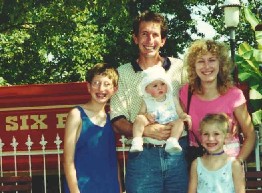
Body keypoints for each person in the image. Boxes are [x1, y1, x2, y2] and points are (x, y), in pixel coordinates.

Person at [110, 11, 188, 193]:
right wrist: (145, 130)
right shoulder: (123, 73)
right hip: (143, 157)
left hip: (178, 155)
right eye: (144, 34)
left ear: (163, 41)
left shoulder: (179, 68)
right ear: (135, 38)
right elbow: (117, 120)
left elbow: (195, 105)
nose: (149, 40)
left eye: (155, 35)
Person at [180, 39, 255, 164]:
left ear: (221, 64)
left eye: (212, 60)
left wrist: (238, 162)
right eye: (200, 61)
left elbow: (250, 135)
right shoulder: (186, 92)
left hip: (228, 164)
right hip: (198, 164)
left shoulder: (234, 95)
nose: (207, 66)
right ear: (194, 66)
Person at [63, 63, 122, 193]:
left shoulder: (110, 119)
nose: (101, 89)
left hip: (109, 187)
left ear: (114, 89)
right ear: (88, 87)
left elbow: (113, 160)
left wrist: (119, 188)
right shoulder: (77, 115)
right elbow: (68, 161)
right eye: (96, 83)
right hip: (83, 188)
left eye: (107, 84)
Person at [130, 65, 192, 153]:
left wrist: (185, 116)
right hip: (153, 123)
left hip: (171, 124)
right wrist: (146, 116)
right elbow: (140, 114)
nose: (160, 87)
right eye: (155, 85)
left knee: (180, 122)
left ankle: (173, 141)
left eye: (163, 84)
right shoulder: (147, 100)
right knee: (139, 119)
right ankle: (137, 140)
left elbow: (180, 112)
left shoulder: (172, 98)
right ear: (147, 90)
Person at [188, 113, 245, 193]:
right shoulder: (196, 164)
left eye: (216, 134)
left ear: (226, 137)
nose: (210, 138)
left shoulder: (234, 164)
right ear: (200, 137)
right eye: (206, 134)